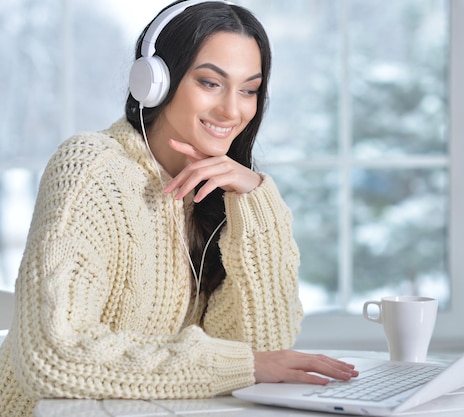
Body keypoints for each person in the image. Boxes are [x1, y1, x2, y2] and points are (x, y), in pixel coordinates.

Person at [0, 1, 357, 416]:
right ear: (155, 81)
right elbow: (53, 357)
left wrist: (256, 198)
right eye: (210, 82)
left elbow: (263, 348)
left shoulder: (220, 194)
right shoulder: (91, 168)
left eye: (249, 89)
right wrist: (242, 366)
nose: (232, 110)